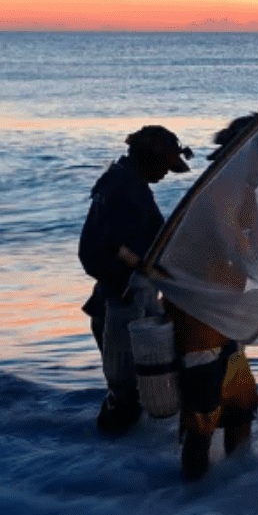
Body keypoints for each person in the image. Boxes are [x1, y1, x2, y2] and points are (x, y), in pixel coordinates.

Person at [78, 124, 189, 435]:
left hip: (121, 292)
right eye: (165, 165)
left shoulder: (124, 180)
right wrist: (149, 268)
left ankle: (116, 457)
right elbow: (115, 246)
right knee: (126, 385)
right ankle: (115, 451)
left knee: (134, 384)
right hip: (123, 296)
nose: (166, 173)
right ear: (148, 158)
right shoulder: (125, 188)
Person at [173, 112, 258, 480]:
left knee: (241, 406)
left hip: (229, 316)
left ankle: (236, 488)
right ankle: (193, 495)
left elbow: (256, 249)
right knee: (203, 413)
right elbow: (236, 246)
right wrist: (254, 252)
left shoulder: (242, 190)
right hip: (199, 316)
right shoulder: (221, 188)